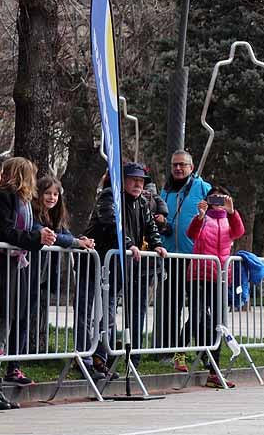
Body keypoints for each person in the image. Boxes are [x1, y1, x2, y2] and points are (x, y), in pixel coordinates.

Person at [79, 163, 168, 377]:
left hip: (117, 268)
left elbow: (150, 226)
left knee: (109, 315)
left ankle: (100, 359)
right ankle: (84, 359)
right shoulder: (109, 196)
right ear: (122, 181)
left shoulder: (142, 202)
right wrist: (128, 244)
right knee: (88, 313)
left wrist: (157, 244)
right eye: (133, 180)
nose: (138, 184)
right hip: (96, 263)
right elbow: (112, 223)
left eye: (141, 181)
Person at [0, 158, 57, 391]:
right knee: (2, 321)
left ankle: (10, 370)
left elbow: (26, 228)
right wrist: (36, 238)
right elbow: (6, 231)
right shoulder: (5, 197)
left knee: (11, 319)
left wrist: (41, 235)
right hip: (4, 266)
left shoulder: (23, 201)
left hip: (16, 264)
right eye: (31, 174)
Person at [157, 151, 211, 371]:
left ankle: (204, 351)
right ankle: (169, 352)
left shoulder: (203, 188)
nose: (178, 169)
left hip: (195, 258)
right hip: (172, 256)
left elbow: (216, 218)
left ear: (191, 166)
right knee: (172, 306)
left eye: (182, 165)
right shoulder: (166, 190)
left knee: (200, 309)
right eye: (174, 165)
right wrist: (161, 223)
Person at [186, 186, 244, 388]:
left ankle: (213, 369)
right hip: (198, 275)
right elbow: (191, 234)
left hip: (220, 277)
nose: (217, 202)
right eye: (213, 198)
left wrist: (232, 212)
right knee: (197, 317)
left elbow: (239, 232)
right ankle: (184, 352)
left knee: (218, 324)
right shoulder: (203, 218)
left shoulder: (229, 219)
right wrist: (200, 216)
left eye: (221, 198)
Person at [29, 175, 95, 354]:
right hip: (29, 271)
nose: (52, 197)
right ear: (39, 194)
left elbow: (65, 235)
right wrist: (76, 242)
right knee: (21, 317)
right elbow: (52, 237)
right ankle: (14, 359)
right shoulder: (33, 213)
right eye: (47, 193)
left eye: (55, 194)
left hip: (44, 275)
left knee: (33, 313)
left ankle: (19, 361)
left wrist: (81, 241)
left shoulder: (56, 215)